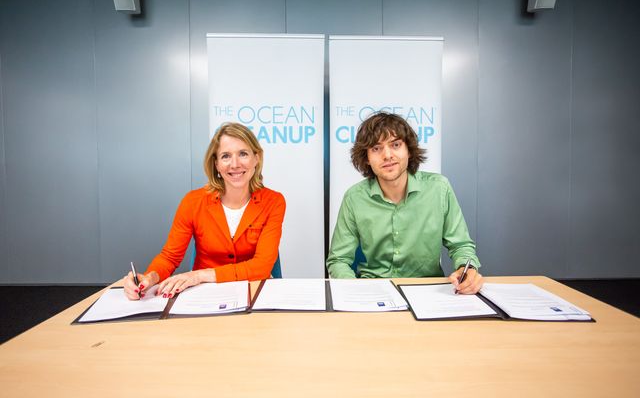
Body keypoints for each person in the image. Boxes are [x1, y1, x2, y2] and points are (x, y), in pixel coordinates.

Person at [124, 122, 286, 300]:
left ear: (256, 158)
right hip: (206, 297)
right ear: (216, 164)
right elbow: (170, 257)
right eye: (225, 156)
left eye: (243, 154)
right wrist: (149, 277)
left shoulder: (274, 201)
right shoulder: (193, 202)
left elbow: (261, 266)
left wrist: (198, 275)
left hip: (255, 293)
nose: (235, 164)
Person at [326, 112, 483, 294]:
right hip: (374, 292)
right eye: (376, 148)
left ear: (409, 149)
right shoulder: (354, 198)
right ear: (367, 158)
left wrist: (468, 269)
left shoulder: (439, 188)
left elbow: (461, 245)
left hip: (427, 292)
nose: (387, 155)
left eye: (395, 145)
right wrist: (356, 291)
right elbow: (338, 260)